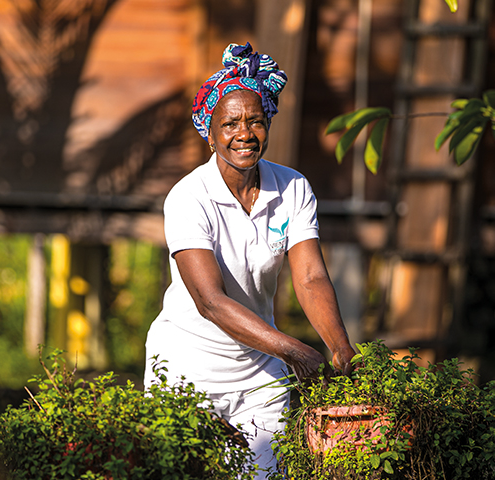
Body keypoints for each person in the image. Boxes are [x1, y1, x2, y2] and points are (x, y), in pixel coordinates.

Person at [144, 42, 356, 478]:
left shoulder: (292, 187)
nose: (245, 133)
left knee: (265, 475)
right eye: (231, 123)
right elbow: (210, 302)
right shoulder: (189, 198)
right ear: (209, 131)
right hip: (186, 370)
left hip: (258, 371)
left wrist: (339, 349)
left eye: (256, 121)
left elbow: (311, 277)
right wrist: (293, 348)